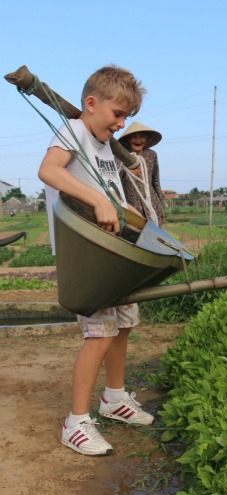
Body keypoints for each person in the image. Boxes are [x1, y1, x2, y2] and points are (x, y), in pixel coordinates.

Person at [38, 65, 154, 457]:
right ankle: (76, 422)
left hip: (113, 251)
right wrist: (99, 200)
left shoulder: (104, 145)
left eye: (125, 117)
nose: (121, 124)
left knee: (122, 325)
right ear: (91, 104)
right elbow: (48, 170)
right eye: (117, 114)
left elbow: (112, 192)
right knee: (99, 333)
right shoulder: (74, 131)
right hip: (87, 254)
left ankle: (115, 398)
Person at [117, 122, 166, 225]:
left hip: (153, 207)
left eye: (142, 137)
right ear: (128, 139)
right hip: (132, 208)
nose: (138, 140)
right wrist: (125, 170)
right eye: (134, 137)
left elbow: (156, 182)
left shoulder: (151, 155)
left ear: (147, 139)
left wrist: (161, 207)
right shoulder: (121, 156)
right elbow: (115, 176)